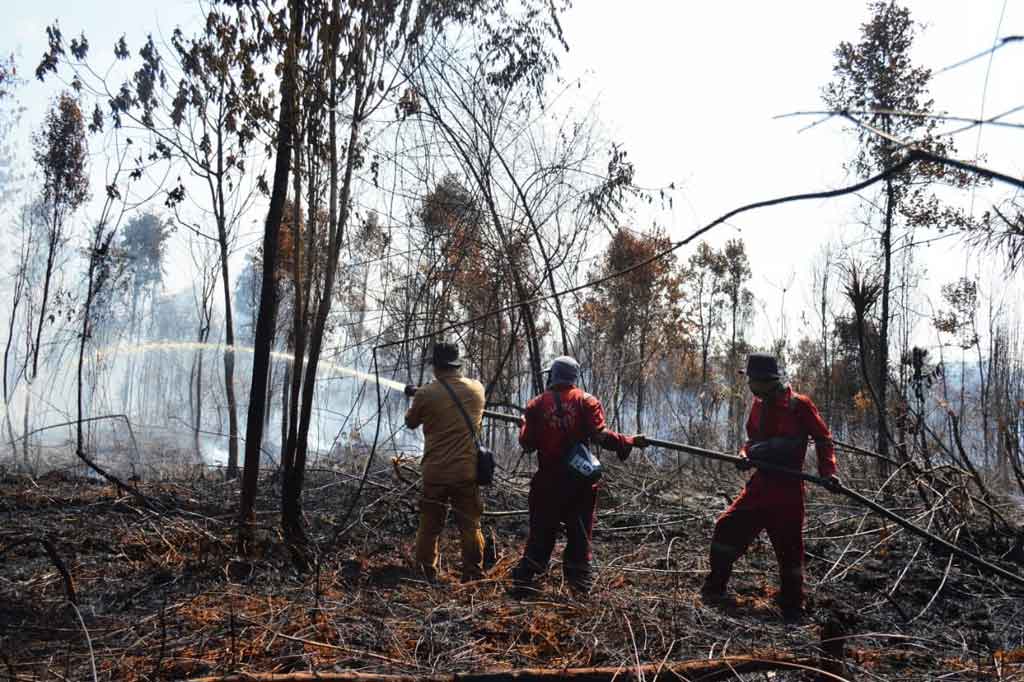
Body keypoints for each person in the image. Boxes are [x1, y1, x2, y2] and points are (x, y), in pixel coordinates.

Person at [701, 352, 842, 622]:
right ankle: (715, 587)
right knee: (726, 527)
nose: (749, 384)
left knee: (789, 550)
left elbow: (824, 439)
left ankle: (792, 606)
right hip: (759, 487)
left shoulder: (798, 405)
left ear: (764, 380)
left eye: (751, 379)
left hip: (787, 492)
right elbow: (751, 441)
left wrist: (829, 473)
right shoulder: (757, 405)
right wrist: (744, 455)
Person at [510, 356, 648, 597]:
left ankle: (525, 581)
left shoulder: (535, 405)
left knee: (541, 532)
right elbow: (601, 437)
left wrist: (524, 424)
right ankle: (579, 587)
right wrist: (628, 441)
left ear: (553, 376)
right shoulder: (587, 401)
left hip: (547, 484)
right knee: (579, 534)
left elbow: (527, 444)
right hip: (580, 485)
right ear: (573, 377)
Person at [404, 342, 486, 582]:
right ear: (457, 365)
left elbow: (410, 422)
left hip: (435, 473)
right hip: (465, 471)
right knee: (471, 526)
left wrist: (418, 395)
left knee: (429, 526)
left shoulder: (426, 394)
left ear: (436, 367)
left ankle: (425, 573)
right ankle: (473, 573)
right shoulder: (477, 389)